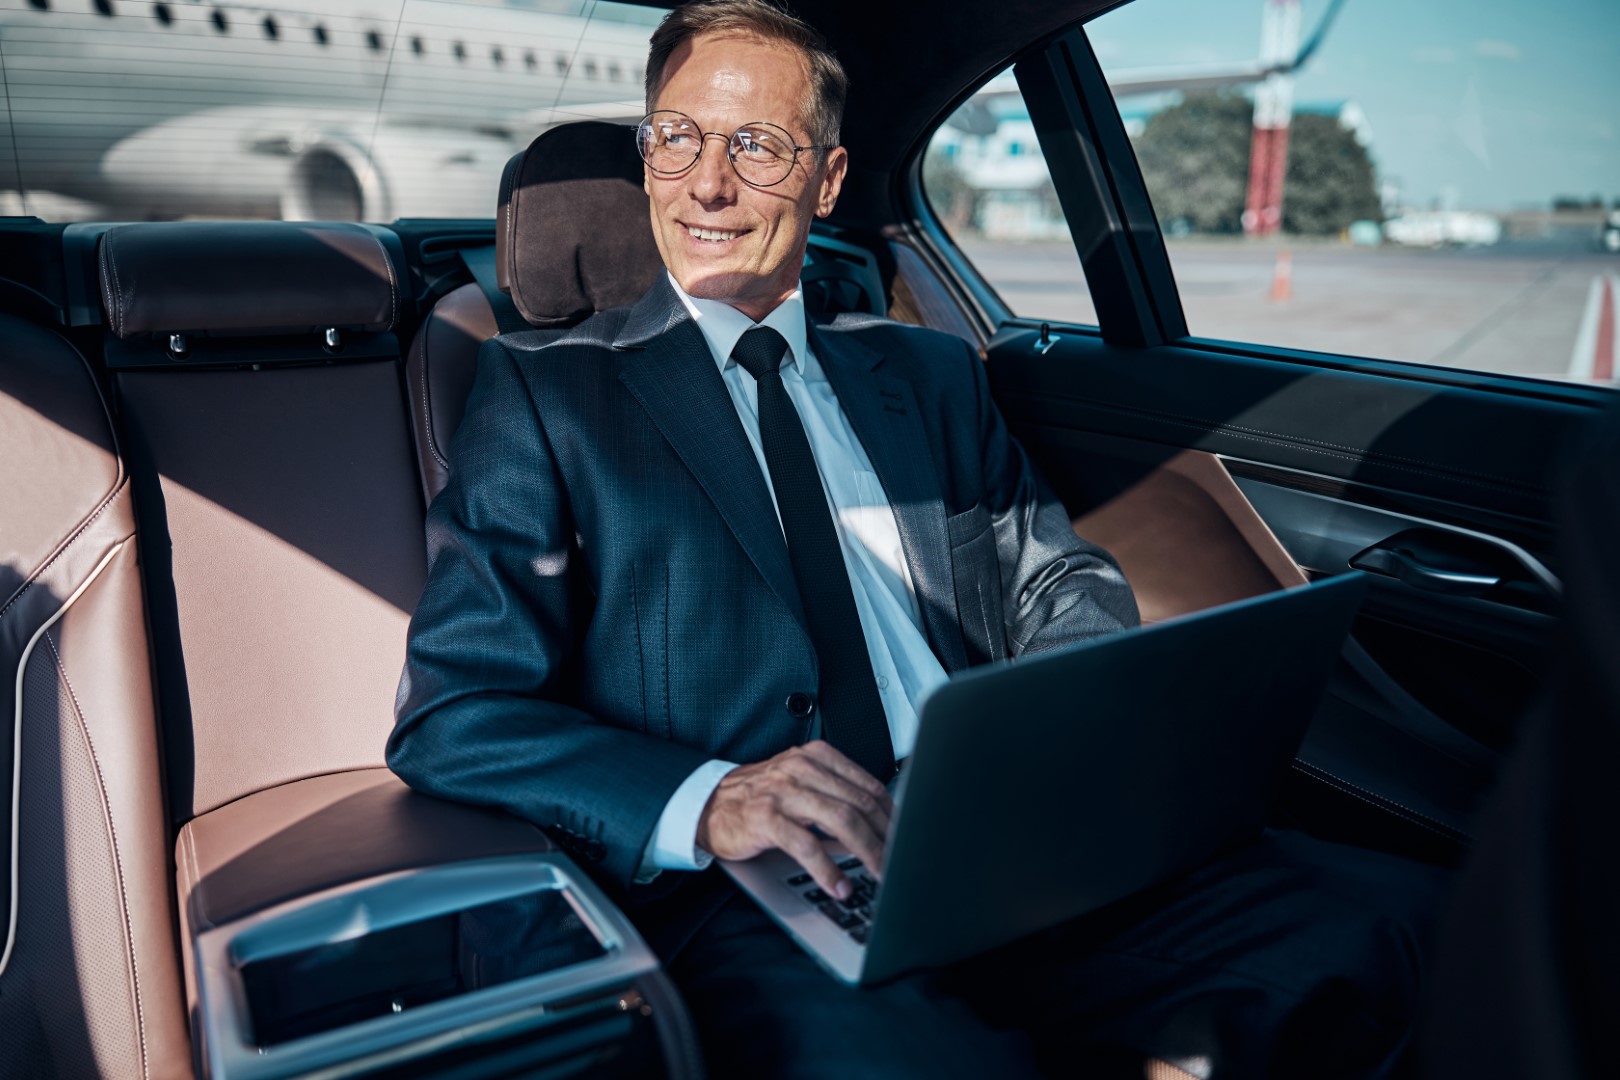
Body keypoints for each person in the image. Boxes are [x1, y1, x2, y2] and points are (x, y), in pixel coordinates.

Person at [390, 2, 1442, 1075]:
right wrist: (710, 799)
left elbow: (1056, 578)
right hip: (762, 896)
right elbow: (456, 712)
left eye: (756, 146)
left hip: (1007, 848)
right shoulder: (546, 393)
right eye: (678, 138)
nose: (706, 184)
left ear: (831, 182)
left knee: (1403, 917)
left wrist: (1054, 747)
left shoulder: (929, 376)